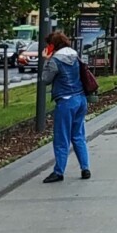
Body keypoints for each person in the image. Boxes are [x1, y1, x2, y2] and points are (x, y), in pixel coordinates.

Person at [41, 30, 92, 183]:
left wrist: (46, 59)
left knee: (61, 138)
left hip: (65, 101)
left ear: (53, 45)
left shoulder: (55, 60)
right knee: (78, 136)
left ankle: (59, 172)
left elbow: (46, 79)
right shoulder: (75, 55)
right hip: (81, 99)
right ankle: (85, 168)